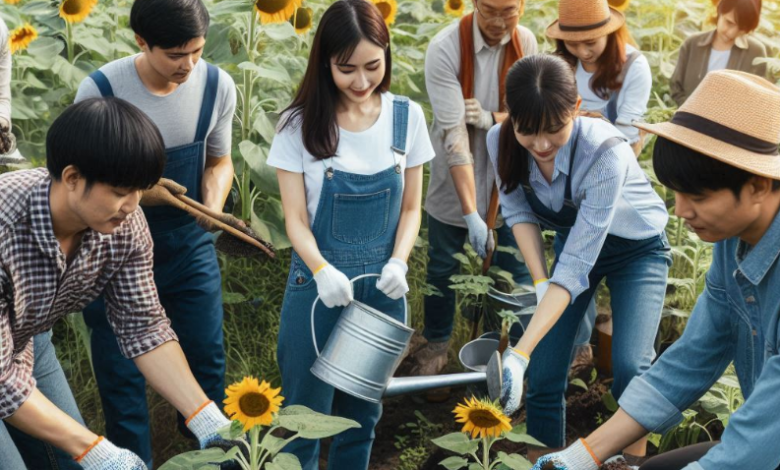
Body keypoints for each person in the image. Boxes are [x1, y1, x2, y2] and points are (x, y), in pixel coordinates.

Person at [530, 70, 780, 470]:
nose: (679, 211)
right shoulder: (734, 241)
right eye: (675, 193)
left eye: (696, 196)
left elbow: (763, 437)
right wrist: (584, 454)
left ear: (758, 185)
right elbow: (693, 356)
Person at [0, 98, 234, 470]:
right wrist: (94, 448)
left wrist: (206, 416)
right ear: (73, 178)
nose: (132, 205)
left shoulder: (124, 226)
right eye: (121, 191)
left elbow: (143, 326)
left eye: (140, 190)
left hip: (24, 340)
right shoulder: (5, 227)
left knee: (69, 460)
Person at [268, 0, 434, 468]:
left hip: (383, 288)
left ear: (386, 54)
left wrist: (399, 260)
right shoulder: (298, 125)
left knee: (362, 418)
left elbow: (411, 209)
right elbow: (295, 221)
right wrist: (321, 269)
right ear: (326, 62)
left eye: (373, 67)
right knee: (305, 417)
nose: (361, 82)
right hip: (318, 289)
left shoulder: (407, 117)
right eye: (347, 70)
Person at [74, 0, 237, 465]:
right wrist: (145, 193)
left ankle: (213, 455)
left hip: (189, 244)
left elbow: (219, 160)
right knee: (120, 373)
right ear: (141, 42)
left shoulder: (217, 86)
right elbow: (84, 185)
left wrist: (213, 207)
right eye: (175, 55)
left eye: (198, 52)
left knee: (206, 356)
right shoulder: (102, 90)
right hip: (110, 248)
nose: (188, 65)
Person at [488, 54, 671, 464]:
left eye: (554, 130)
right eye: (527, 131)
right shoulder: (498, 140)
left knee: (629, 365)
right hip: (578, 243)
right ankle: (545, 459)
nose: (541, 145)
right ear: (510, 116)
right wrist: (539, 283)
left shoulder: (606, 151)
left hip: (637, 250)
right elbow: (518, 213)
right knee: (546, 367)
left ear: (574, 108)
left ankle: (630, 462)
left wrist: (517, 352)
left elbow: (573, 268)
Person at [419, 0, 536, 375]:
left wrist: (493, 119)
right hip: (455, 189)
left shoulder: (526, 45)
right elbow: (455, 135)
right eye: (489, 10)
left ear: (523, 4)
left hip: (509, 184)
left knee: (510, 273)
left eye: (509, 10)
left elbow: (531, 115)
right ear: (472, 3)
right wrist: (471, 212)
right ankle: (436, 347)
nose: (500, 22)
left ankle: (502, 355)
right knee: (442, 269)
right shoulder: (445, 48)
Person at [548, 0, 653, 380]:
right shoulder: (561, 67)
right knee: (573, 279)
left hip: (613, 186)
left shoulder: (632, 67)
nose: (583, 50)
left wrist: (587, 126)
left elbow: (629, 138)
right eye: (573, 44)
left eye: (591, 41)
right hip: (568, 187)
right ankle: (579, 352)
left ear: (610, 31)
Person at [671, 0, 766, 106]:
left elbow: (757, 99)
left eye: (741, 29)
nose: (732, 33)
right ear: (719, 10)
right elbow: (676, 88)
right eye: (729, 23)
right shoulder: (692, 44)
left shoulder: (756, 53)